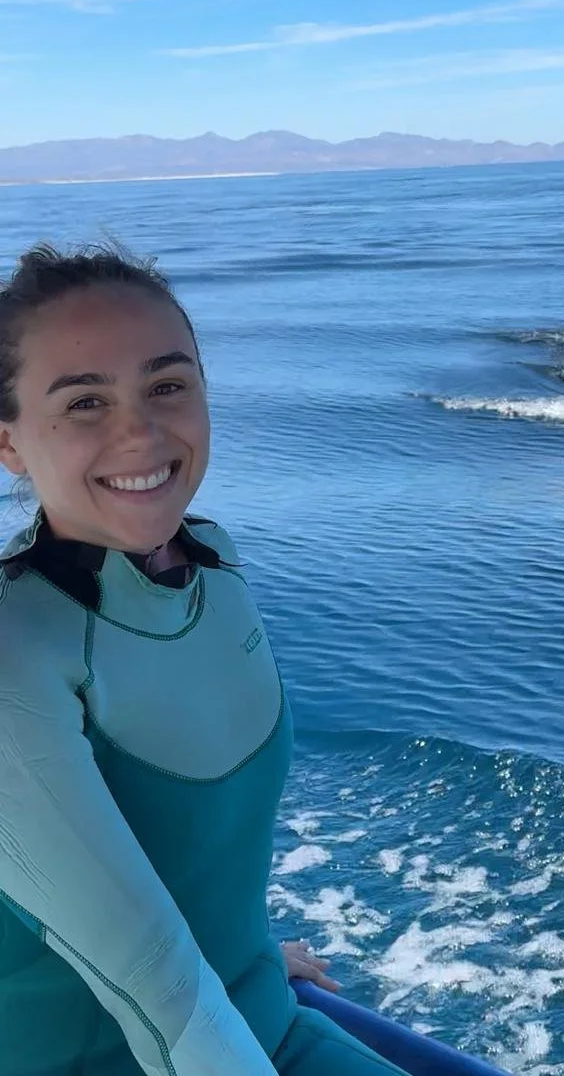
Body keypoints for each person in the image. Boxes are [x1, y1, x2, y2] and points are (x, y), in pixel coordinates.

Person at [0, 244, 404, 1075]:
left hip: (251, 1012)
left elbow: (192, 836)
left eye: (167, 385)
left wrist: (243, 942)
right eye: (84, 403)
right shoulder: (16, 650)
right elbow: (163, 999)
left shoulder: (211, 564)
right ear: (8, 444)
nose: (141, 432)